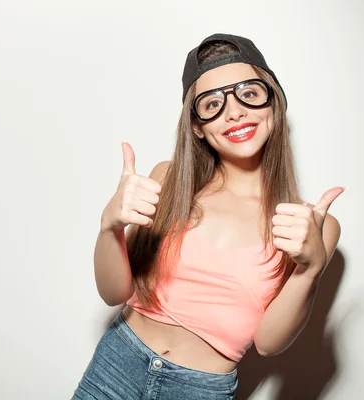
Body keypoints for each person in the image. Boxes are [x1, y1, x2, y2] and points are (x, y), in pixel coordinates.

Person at [72, 33, 343, 400]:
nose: (233, 112)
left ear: (274, 105)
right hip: (116, 364)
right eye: (212, 103)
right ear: (197, 126)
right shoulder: (167, 179)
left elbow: (268, 343)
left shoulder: (311, 225)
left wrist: (309, 270)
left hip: (199, 390)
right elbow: (113, 293)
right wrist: (109, 227)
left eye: (249, 94)